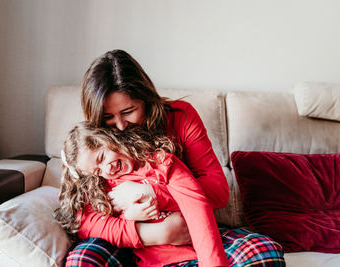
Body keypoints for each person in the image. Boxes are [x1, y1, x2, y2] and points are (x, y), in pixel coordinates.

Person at [64, 49, 285, 266]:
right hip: (129, 239)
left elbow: (217, 191)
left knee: (262, 253)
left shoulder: (179, 120)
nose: (120, 126)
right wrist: (154, 234)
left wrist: (151, 193)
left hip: (189, 230)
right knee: (82, 260)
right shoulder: (90, 145)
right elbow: (85, 220)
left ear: (146, 100)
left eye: (129, 111)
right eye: (108, 117)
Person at [56, 121, 229, 267]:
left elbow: (197, 207)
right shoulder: (107, 189)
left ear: (110, 138)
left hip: (194, 254)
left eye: (102, 157)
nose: (106, 170)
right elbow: (87, 223)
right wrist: (129, 217)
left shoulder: (163, 163)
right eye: (97, 171)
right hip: (154, 262)